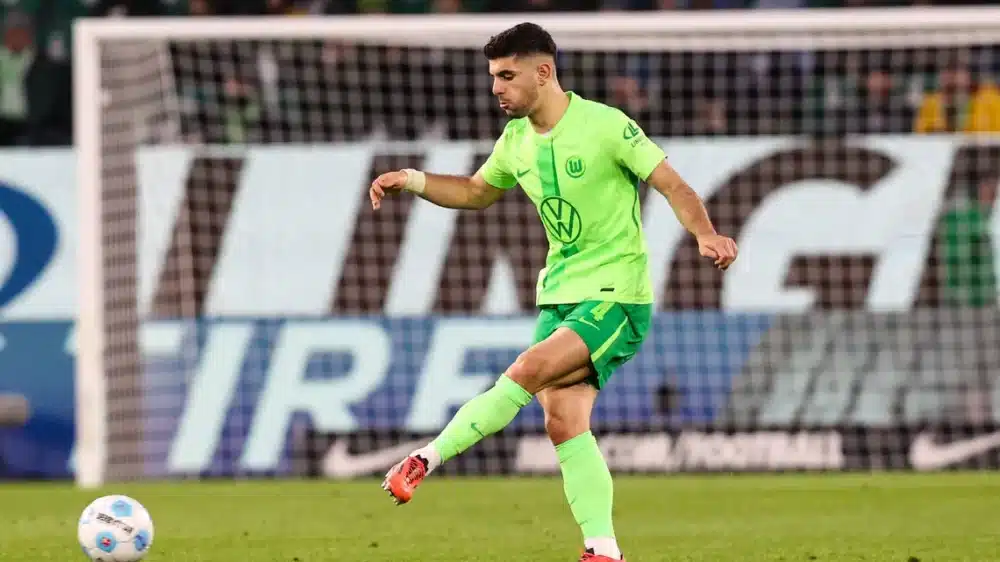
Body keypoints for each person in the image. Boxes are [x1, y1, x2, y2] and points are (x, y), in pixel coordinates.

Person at [369, 22, 738, 562]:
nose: (496, 87)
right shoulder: (515, 140)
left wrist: (704, 234)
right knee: (563, 422)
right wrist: (413, 178)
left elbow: (671, 184)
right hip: (560, 293)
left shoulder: (606, 125)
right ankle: (603, 550)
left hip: (616, 294)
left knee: (527, 369)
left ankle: (424, 458)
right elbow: (475, 192)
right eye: (494, 76)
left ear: (543, 72)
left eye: (506, 75)